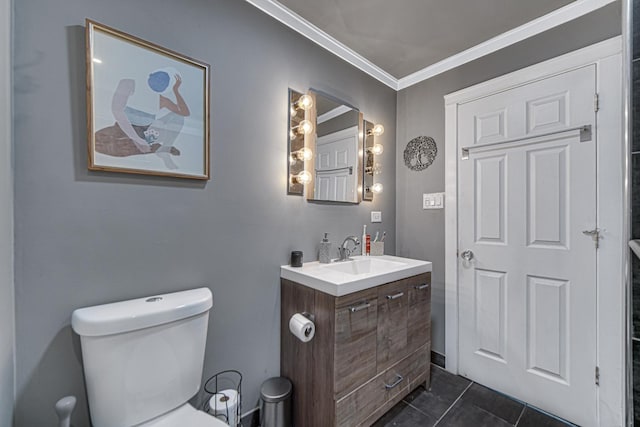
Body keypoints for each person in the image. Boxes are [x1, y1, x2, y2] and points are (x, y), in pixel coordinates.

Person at [94, 68, 190, 170]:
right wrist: (136, 139)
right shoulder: (128, 84)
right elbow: (117, 110)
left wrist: (176, 91)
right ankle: (154, 148)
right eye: (159, 78)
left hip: (147, 133)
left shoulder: (162, 99)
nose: (159, 82)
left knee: (177, 118)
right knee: (98, 142)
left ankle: (163, 148)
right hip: (125, 129)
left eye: (164, 82)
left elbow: (184, 113)